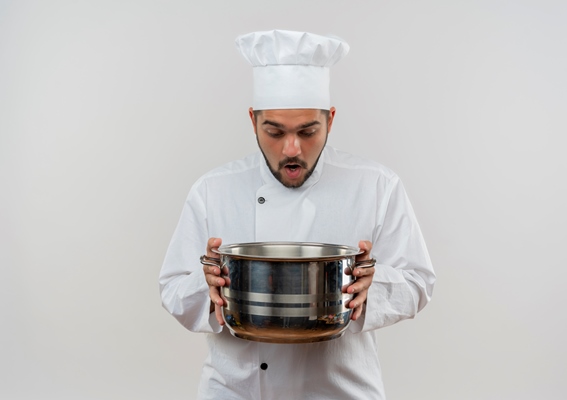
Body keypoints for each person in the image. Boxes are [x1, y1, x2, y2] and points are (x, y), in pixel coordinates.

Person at [159, 29, 435, 400]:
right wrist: (207, 288)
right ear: (253, 120)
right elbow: (173, 288)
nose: (292, 149)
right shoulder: (214, 189)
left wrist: (370, 288)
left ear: (331, 120)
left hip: (340, 392)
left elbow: (419, 281)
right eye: (274, 131)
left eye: (308, 131)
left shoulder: (376, 185)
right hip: (234, 392)